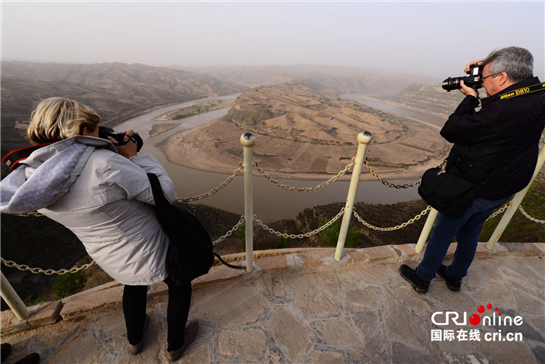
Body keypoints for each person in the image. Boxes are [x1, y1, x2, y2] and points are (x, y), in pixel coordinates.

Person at [0, 98, 198, 361]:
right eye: (95, 128)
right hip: (151, 245)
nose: (100, 132)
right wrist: (134, 157)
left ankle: (135, 341)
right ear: (82, 130)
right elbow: (166, 193)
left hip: (108, 254)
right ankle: (175, 344)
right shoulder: (104, 163)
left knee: (133, 284)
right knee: (179, 284)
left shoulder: (31, 179)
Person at [400, 46, 545, 293]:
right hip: (506, 185)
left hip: (477, 187)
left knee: (442, 233)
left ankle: (423, 278)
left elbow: (452, 130)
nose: (482, 82)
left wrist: (470, 97)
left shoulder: (502, 111)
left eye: (487, 78)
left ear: (502, 77)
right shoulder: (538, 95)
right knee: (471, 231)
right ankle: (455, 276)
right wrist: (488, 65)